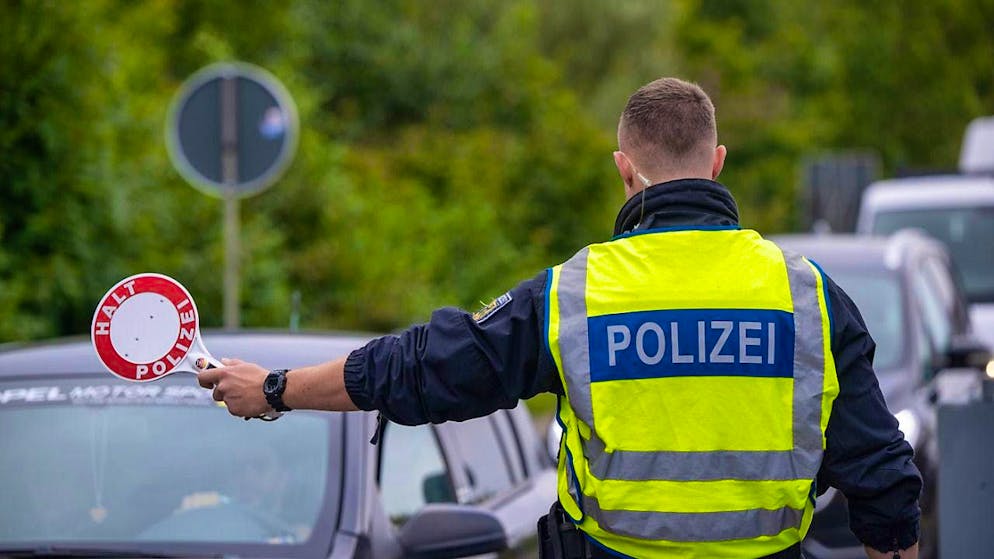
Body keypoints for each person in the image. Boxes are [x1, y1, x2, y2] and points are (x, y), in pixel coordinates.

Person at [199, 77, 921, 559]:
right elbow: (883, 477)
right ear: (717, 163)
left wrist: (275, 388)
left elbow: (425, 367)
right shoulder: (806, 295)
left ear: (625, 169)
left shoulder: (575, 295)